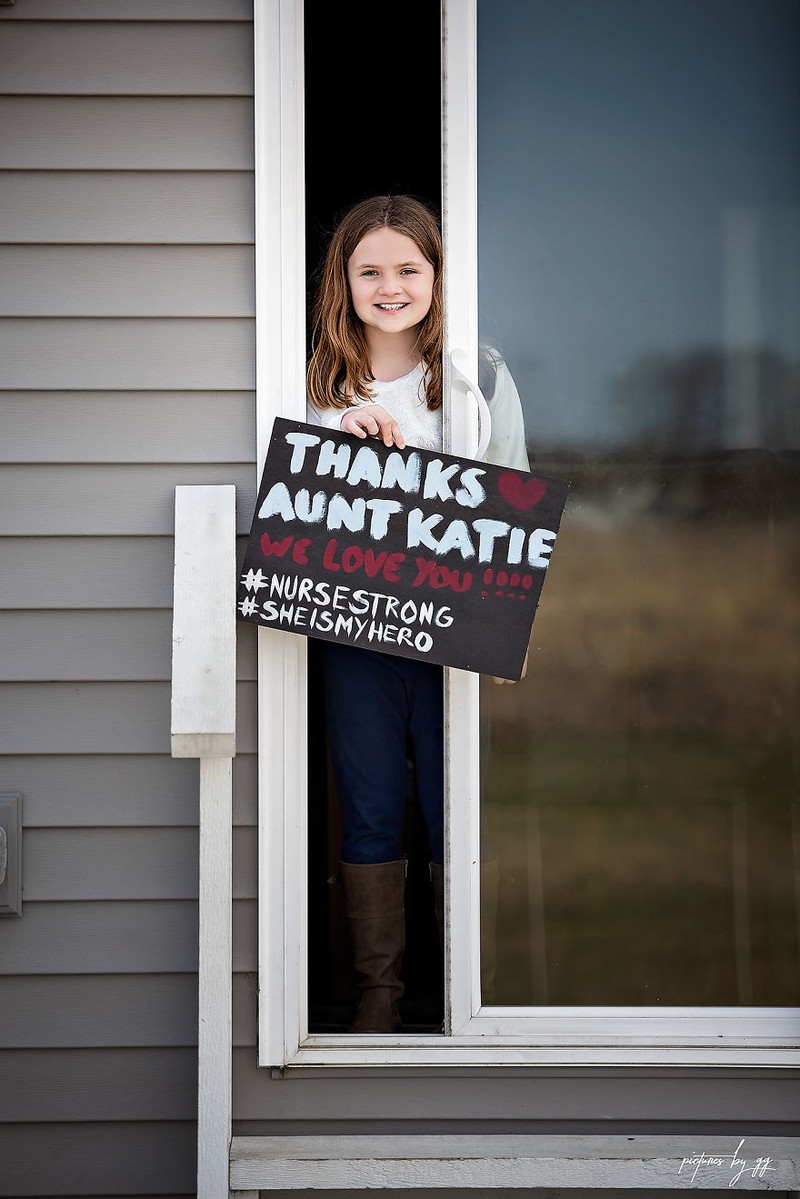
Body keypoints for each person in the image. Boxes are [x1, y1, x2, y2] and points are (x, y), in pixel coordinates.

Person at [306, 194, 528, 1033]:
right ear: (345, 279)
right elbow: (290, 497)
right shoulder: (314, 376)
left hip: (456, 635)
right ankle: (380, 996)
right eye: (370, 270)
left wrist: (516, 619)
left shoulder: (478, 375)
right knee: (368, 806)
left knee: (453, 805)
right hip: (354, 632)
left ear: (439, 275)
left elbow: (514, 498)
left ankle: (468, 997)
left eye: (408, 268)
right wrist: (334, 429)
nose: (389, 286)